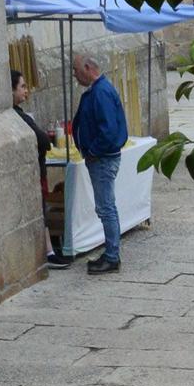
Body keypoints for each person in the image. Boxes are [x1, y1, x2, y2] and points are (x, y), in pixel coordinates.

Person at [71, 53, 129, 275]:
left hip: (103, 158)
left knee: (106, 207)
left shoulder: (101, 92)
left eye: (76, 70)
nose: (75, 75)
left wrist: (93, 151)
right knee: (105, 207)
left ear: (87, 68)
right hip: (101, 157)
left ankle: (112, 256)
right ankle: (110, 254)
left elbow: (108, 130)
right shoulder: (98, 90)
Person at [13, 70, 73, 271]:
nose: (26, 91)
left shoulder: (20, 115)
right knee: (41, 209)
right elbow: (44, 140)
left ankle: (48, 251)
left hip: (36, 170)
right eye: (22, 87)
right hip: (34, 172)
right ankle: (48, 252)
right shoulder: (18, 116)